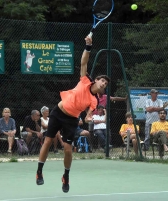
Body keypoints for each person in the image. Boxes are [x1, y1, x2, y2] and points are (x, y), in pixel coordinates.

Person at [36, 36, 110, 193]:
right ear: (96, 80)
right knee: (48, 141)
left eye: (106, 84)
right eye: (102, 81)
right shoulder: (85, 80)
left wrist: (89, 117)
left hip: (71, 119)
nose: (104, 84)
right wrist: (88, 46)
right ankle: (39, 172)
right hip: (58, 112)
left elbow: (89, 113)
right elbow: (84, 62)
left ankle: (66, 176)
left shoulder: (95, 100)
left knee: (68, 149)